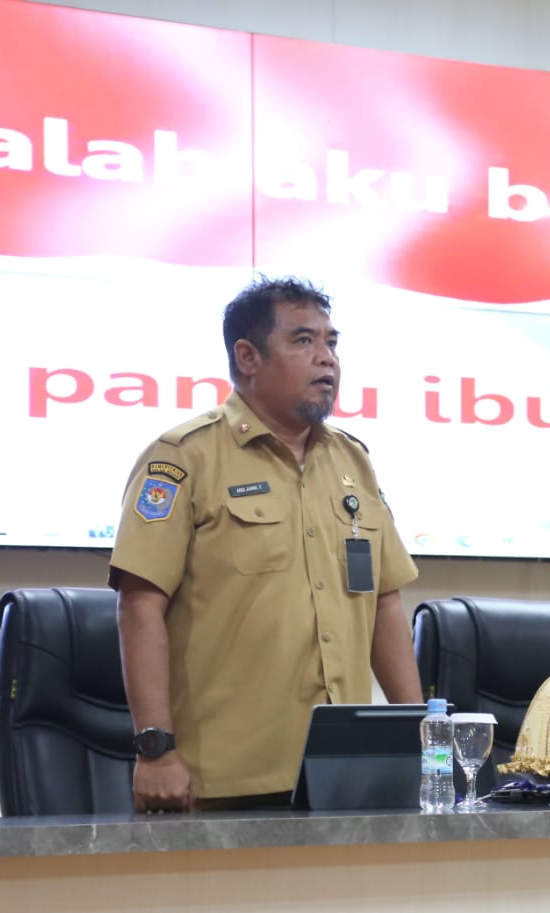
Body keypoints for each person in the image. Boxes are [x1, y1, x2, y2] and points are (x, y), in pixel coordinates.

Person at [109, 277, 423, 812]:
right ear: (248, 357)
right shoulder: (184, 456)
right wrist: (155, 749)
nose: (327, 359)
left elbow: (384, 603)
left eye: (331, 342)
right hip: (227, 777)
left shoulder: (352, 460)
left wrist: (418, 735)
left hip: (346, 771)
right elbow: (140, 606)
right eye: (303, 341)